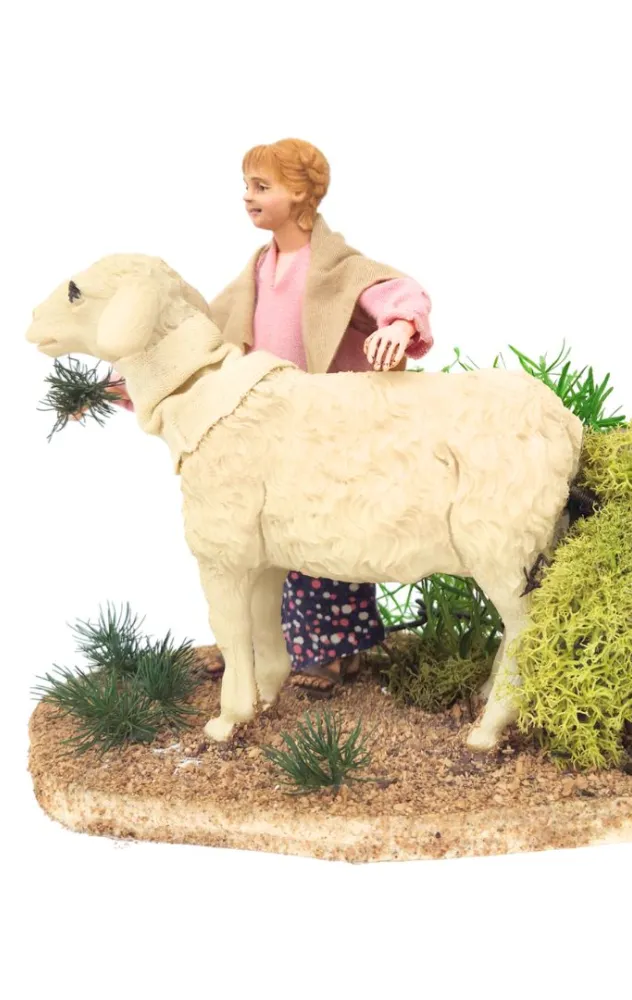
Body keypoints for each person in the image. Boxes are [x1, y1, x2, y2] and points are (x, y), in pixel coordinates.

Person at [108, 137, 434, 694]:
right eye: (247, 186)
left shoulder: (334, 266)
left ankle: (332, 652)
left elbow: (394, 291)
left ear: (301, 194)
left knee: (324, 540)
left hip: (323, 432)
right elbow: (205, 334)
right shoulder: (259, 268)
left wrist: (400, 325)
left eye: (262, 187)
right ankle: (264, 648)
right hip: (267, 431)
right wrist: (140, 381)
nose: (248, 196)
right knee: (265, 544)